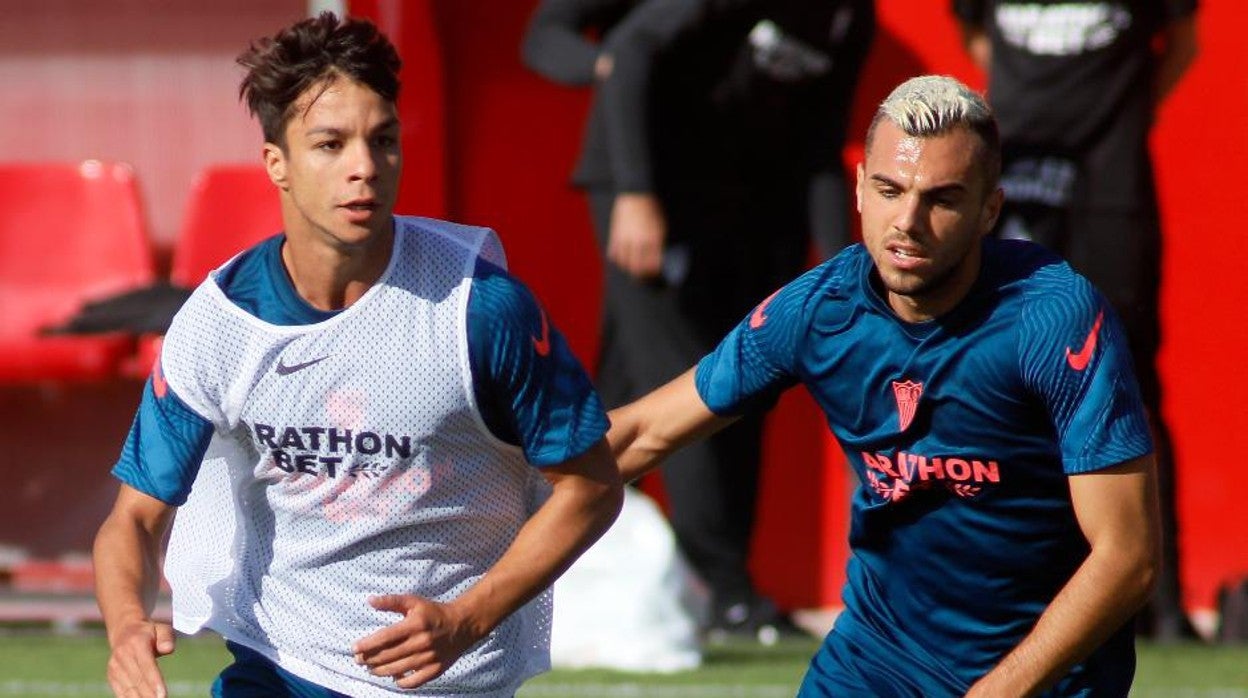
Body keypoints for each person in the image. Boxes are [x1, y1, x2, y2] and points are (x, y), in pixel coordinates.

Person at [92, 12, 623, 698]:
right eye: (330, 144)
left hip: (448, 682)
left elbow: (592, 486)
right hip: (278, 668)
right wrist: (127, 624)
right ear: (276, 164)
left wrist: (469, 618)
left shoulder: (480, 309)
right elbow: (133, 517)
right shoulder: (222, 322)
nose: (364, 168)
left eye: (383, 140)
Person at [608, 75, 1161, 696]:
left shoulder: (1052, 317)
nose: (909, 221)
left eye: (942, 199)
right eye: (889, 189)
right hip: (876, 661)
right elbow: (643, 433)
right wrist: (505, 482)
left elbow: (1127, 557)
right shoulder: (821, 308)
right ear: (861, 192)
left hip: (1042, 676)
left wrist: (998, 692)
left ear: (989, 210)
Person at [521, 0, 874, 642]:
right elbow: (613, 51)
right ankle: (726, 590)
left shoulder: (850, 15)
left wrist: (852, 268)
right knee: (697, 380)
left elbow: (821, 143)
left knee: (671, 387)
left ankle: (569, 569)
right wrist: (634, 193)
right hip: (654, 188)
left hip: (745, 201)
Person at [951, 0, 1198, 641]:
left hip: (1109, 188)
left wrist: (1119, 115)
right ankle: (1015, 591)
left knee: (1129, 380)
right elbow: (978, 38)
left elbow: (1184, 43)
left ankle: (1157, 604)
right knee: (999, 376)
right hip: (1016, 176)